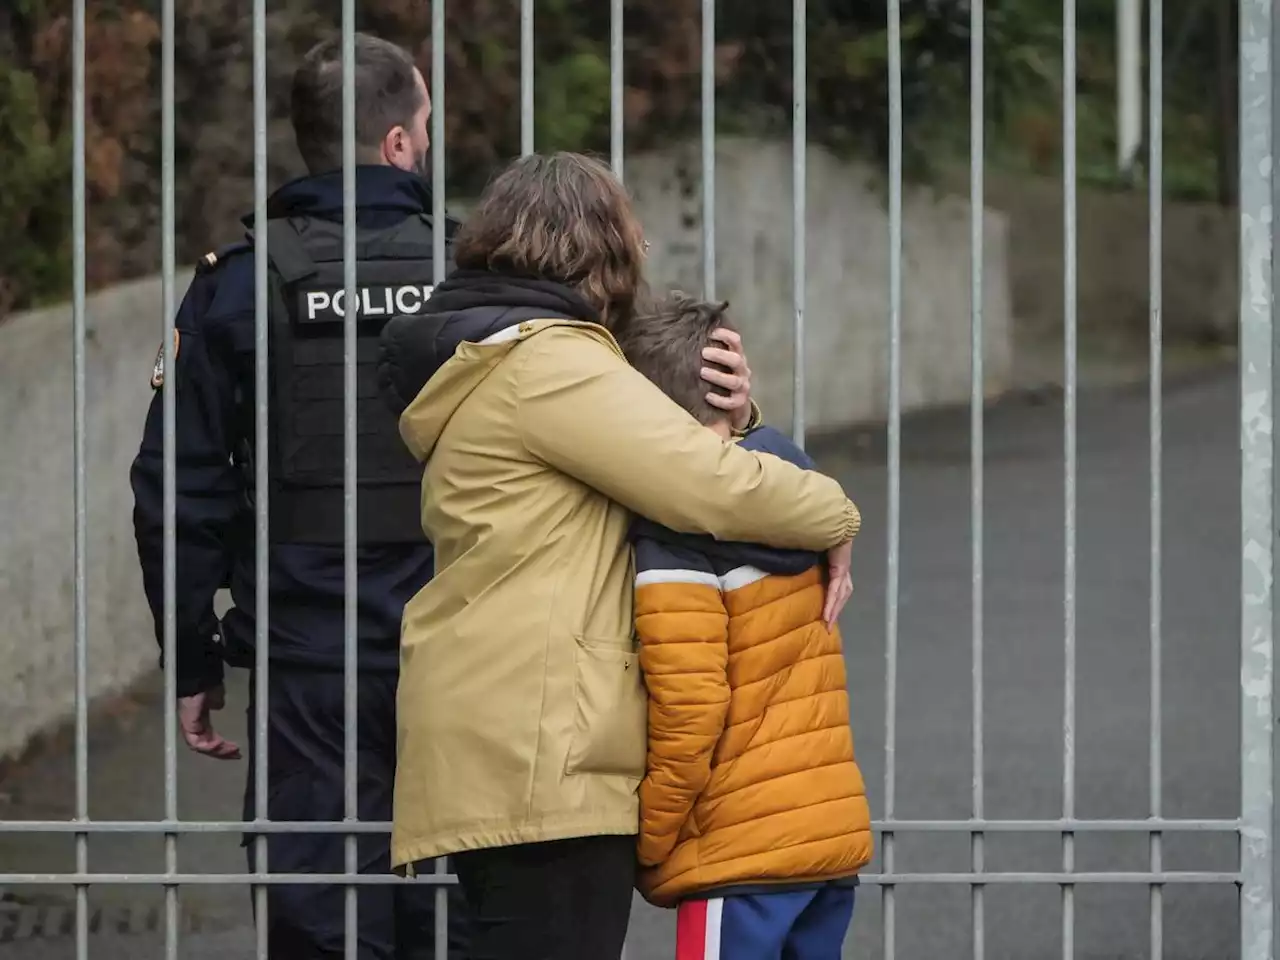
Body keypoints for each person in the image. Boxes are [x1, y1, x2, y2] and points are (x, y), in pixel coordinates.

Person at [375, 151, 859, 960]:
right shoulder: (549, 363)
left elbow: (676, 453)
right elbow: (708, 485)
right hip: (544, 746)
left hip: (512, 730)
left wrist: (741, 420)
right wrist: (835, 513)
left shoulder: (510, 359)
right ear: (600, 251)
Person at [129, 32, 471, 959]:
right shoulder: (472, 276)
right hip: (467, 653)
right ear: (400, 144)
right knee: (455, 909)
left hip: (306, 665)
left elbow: (177, 486)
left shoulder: (238, 288)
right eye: (427, 125)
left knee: (321, 915)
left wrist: (195, 662)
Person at [617, 293, 873, 960]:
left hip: (740, 854)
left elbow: (692, 707)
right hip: (824, 838)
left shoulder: (675, 532)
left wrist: (650, 839)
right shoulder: (795, 485)